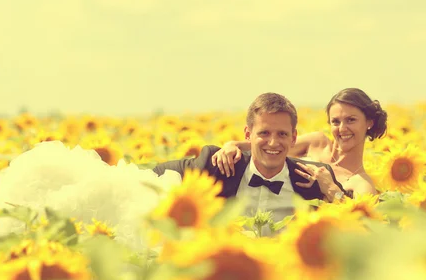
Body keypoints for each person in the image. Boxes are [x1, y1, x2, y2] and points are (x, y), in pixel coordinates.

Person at [153, 92, 351, 234]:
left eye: (282, 134)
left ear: (293, 137)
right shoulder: (218, 165)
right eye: (264, 133)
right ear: (248, 134)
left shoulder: (314, 177)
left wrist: (334, 191)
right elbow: (153, 175)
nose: (273, 143)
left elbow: (358, 227)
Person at [211, 88, 388, 198]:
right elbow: (271, 146)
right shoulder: (316, 143)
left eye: (351, 120)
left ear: (369, 123)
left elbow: (362, 225)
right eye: (335, 121)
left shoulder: (361, 184)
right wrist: (232, 145)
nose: (342, 128)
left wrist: (333, 190)